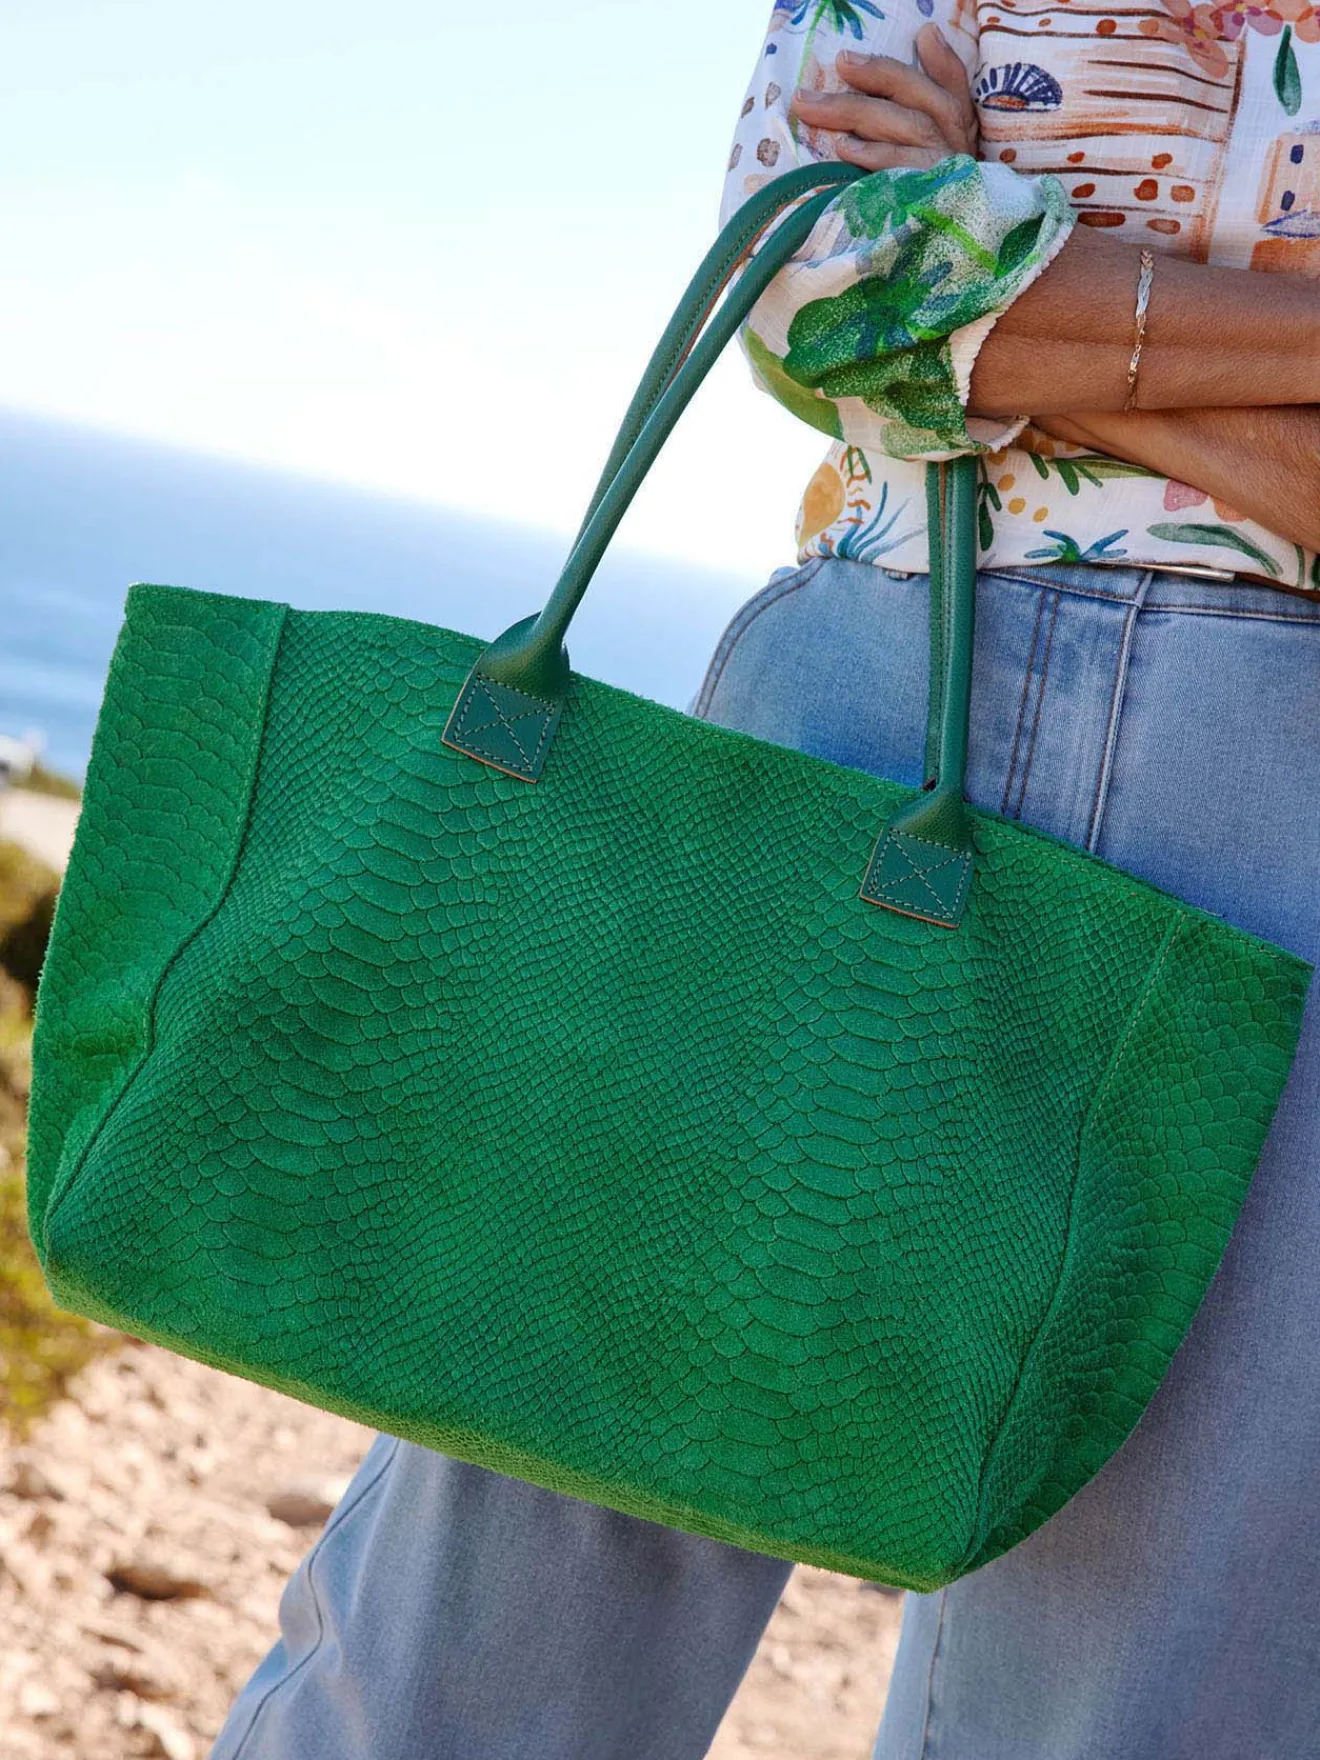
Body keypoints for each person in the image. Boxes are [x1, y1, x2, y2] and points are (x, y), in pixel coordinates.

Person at [211, 4, 1320, 1756]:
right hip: (855, 731)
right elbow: (811, 272)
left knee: (1155, 1674)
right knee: (527, 1524)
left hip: (1279, 826)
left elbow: (900, 301)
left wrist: (993, 282)